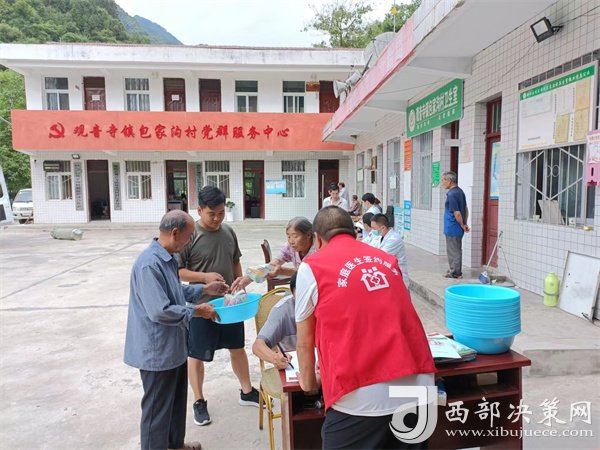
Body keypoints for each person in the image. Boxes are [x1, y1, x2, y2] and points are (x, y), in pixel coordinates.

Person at [295, 206, 436, 449]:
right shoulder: (386, 259)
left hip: (362, 393)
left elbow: (305, 341)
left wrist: (308, 384)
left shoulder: (312, 266)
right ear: (354, 233)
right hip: (419, 385)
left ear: (317, 239)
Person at [124, 210, 228, 450]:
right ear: (174, 233)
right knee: (157, 410)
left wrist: (205, 289)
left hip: (174, 346)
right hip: (157, 351)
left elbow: (175, 291)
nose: (190, 241)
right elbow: (159, 311)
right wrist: (196, 311)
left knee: (176, 401)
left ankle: (175, 444)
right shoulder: (149, 265)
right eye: (189, 236)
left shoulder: (168, 259)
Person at [176, 186, 259, 428]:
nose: (217, 218)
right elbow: (179, 271)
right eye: (211, 214)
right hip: (201, 307)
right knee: (196, 355)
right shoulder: (190, 235)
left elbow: (235, 261)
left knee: (237, 347)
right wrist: (204, 278)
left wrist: (239, 284)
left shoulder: (228, 232)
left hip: (229, 304)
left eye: (221, 213)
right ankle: (199, 401)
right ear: (199, 210)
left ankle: (247, 391)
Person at [231, 217, 315, 291]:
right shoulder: (289, 247)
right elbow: (273, 263)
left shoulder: (317, 250)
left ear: (308, 235)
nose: (291, 241)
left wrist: (284, 271)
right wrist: (249, 277)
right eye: (289, 236)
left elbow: (308, 273)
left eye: (295, 236)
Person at [252, 272, 298, 369]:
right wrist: (275, 358)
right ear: (293, 293)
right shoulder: (283, 310)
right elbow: (258, 345)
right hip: (294, 368)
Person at [442, 171, 470, 279]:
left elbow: (457, 213)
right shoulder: (460, 192)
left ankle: (455, 273)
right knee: (455, 249)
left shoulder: (452, 194)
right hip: (457, 226)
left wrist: (462, 224)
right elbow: (466, 209)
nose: (443, 183)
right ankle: (453, 269)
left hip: (453, 226)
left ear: (449, 181)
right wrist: (465, 223)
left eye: (444, 180)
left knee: (453, 250)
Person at [370, 213, 410, 288]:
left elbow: (381, 256)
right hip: (388, 274)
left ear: (383, 228)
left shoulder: (394, 239)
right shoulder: (381, 236)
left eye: (374, 228)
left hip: (398, 275)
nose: (372, 230)